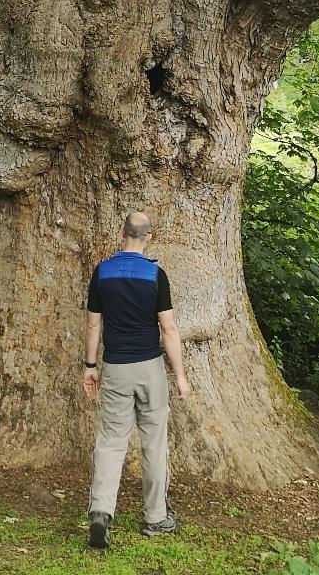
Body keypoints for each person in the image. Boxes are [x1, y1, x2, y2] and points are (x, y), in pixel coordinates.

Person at [82, 210, 190, 551]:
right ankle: (156, 516)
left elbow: (93, 325)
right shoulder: (156, 275)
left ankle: (101, 510)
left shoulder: (102, 273)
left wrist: (89, 365)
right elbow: (169, 329)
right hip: (150, 368)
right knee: (154, 441)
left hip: (115, 366)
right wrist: (182, 377)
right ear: (149, 238)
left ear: (122, 233)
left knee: (112, 440)